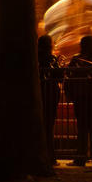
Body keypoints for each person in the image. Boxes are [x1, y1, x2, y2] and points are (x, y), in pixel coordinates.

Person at [66, 35, 92, 166]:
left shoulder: (77, 59)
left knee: (82, 127)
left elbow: (69, 74)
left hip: (81, 97)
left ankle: (81, 156)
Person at [38, 35, 62, 164]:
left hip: (41, 92)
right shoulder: (51, 59)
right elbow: (59, 76)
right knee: (49, 125)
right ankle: (50, 155)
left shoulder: (35, 57)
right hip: (50, 93)